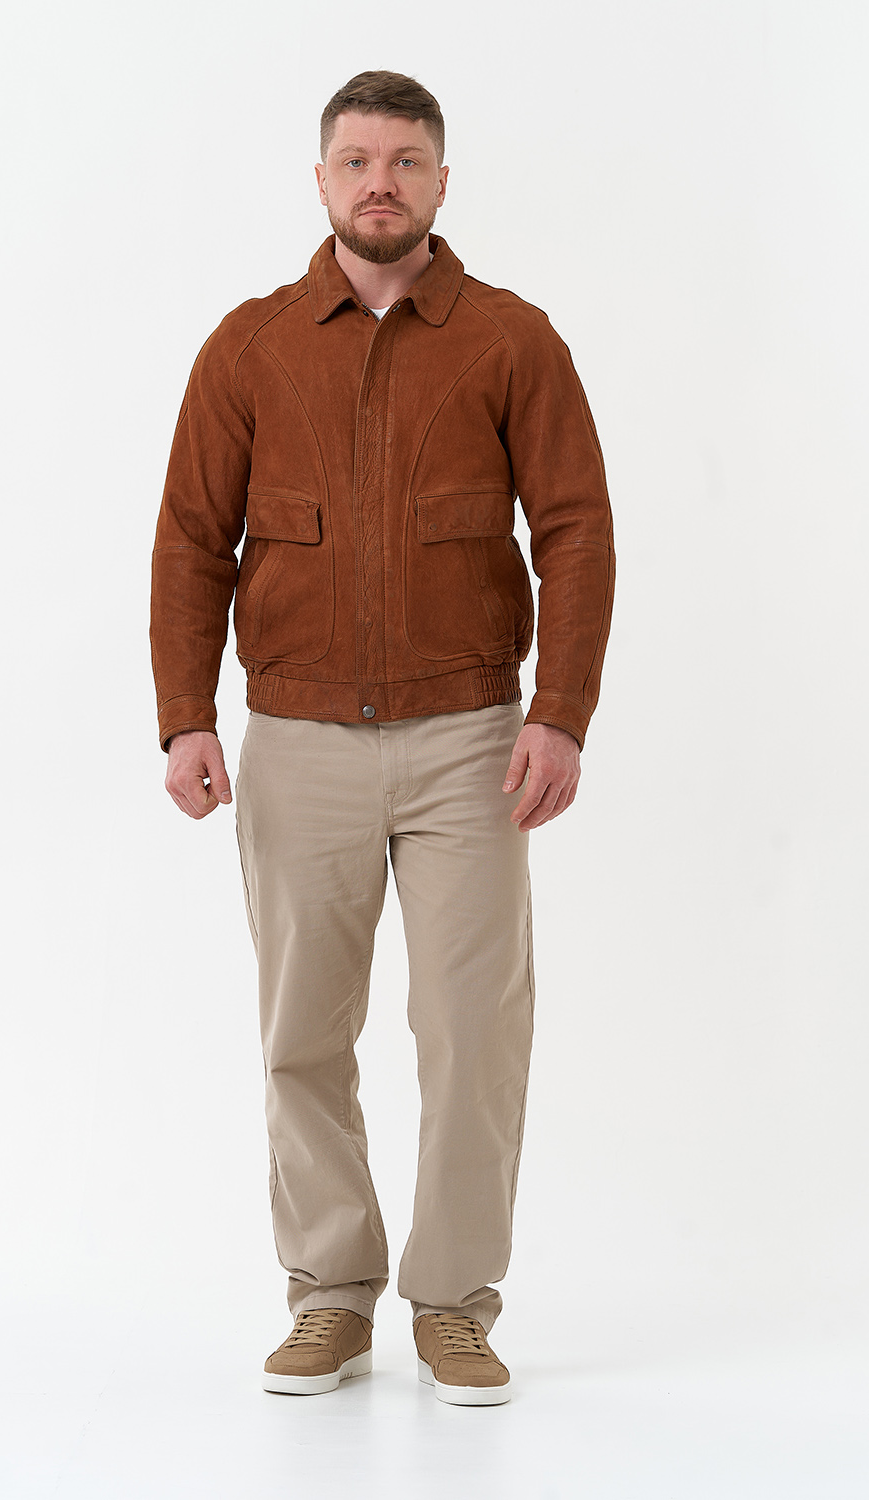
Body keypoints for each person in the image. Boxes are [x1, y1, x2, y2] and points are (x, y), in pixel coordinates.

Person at [149, 70, 615, 1406]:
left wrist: (560, 713)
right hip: (297, 742)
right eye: (356, 159)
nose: (379, 182)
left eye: (405, 161)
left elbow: (576, 530)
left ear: (441, 181)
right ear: (321, 180)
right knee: (302, 1030)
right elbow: (192, 540)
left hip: (472, 743)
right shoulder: (249, 347)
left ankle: (455, 1305)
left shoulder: (512, 339)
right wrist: (186, 716)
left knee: (474, 1032)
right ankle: (330, 1297)